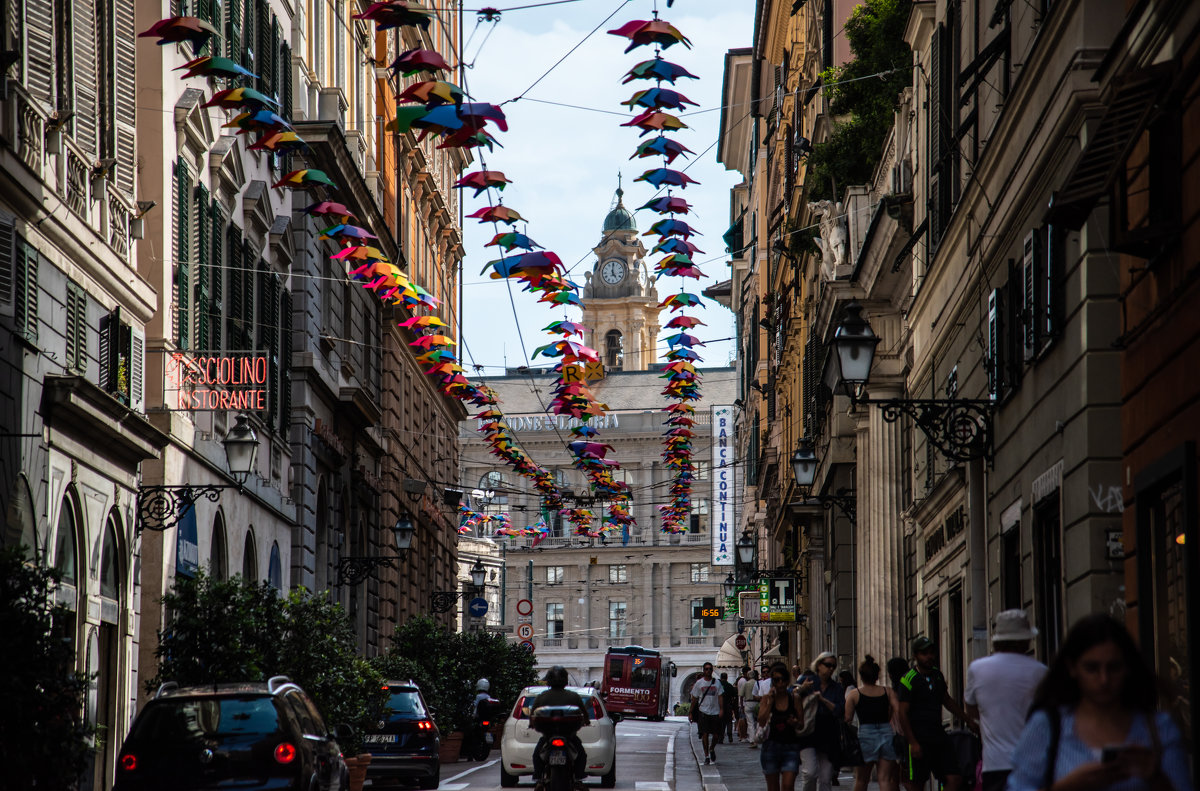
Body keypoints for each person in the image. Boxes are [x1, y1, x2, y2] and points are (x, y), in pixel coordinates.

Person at [1005, 613, 1194, 791]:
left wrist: (1155, 777)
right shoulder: (1047, 726)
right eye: (1092, 668)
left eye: (1113, 667)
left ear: (1127, 667)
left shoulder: (1159, 729)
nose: (1104, 679)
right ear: (1072, 668)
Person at [964, 610, 1047, 791]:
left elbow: (970, 711)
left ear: (997, 641)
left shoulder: (977, 669)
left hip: (995, 765)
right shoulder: (1040, 672)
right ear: (1026, 640)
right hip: (1033, 763)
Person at [896, 637, 975, 791]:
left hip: (938, 735)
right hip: (918, 737)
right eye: (924, 653)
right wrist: (913, 742)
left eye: (931, 653)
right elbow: (902, 713)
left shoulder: (937, 675)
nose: (929, 657)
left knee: (954, 777)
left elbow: (946, 700)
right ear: (915, 655)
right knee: (917, 783)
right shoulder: (908, 680)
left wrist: (968, 720)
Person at [845, 655, 900, 791]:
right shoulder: (888, 691)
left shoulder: (854, 694)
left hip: (865, 735)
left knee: (862, 780)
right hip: (886, 732)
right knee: (885, 779)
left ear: (861, 676)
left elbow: (847, 719)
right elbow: (898, 710)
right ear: (877, 675)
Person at [530, 666, 589, 791]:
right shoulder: (573, 696)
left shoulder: (542, 696)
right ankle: (578, 778)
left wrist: (531, 723)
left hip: (548, 735)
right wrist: (587, 721)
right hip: (569, 736)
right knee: (581, 754)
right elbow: (584, 713)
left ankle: (539, 779)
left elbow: (532, 714)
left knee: (537, 754)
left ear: (549, 680)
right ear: (565, 680)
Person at [797, 651, 846, 791]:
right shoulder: (807, 681)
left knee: (825, 778)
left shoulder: (836, 688)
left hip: (828, 732)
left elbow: (840, 710)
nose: (831, 668)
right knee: (810, 773)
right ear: (819, 665)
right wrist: (802, 689)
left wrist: (823, 700)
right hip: (808, 731)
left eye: (833, 666)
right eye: (828, 665)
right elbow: (790, 695)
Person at [757, 661, 807, 791]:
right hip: (770, 747)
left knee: (788, 785)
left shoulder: (794, 698)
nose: (780, 684)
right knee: (773, 788)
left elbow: (802, 724)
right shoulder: (766, 699)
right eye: (776, 680)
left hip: (791, 747)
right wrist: (770, 703)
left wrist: (795, 723)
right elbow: (761, 721)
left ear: (787, 681)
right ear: (772, 682)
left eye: (783, 680)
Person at [691, 662, 724, 764]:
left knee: (716, 735)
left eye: (710, 669)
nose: (708, 671)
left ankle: (711, 748)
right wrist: (691, 712)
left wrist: (722, 709)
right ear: (703, 670)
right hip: (703, 712)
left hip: (715, 712)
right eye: (706, 669)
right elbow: (694, 699)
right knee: (704, 734)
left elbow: (720, 697)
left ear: (712, 670)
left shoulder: (717, 683)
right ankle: (706, 756)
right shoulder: (699, 683)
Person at [719, 671, 737, 744]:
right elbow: (734, 695)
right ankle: (730, 736)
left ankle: (721, 738)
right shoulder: (729, 686)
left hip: (720, 705)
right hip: (728, 705)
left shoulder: (719, 685)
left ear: (720, 677)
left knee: (721, 722)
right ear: (727, 678)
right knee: (729, 721)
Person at [737, 667, 753, 742]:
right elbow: (741, 694)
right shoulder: (744, 682)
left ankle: (742, 736)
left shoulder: (741, 680)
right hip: (743, 703)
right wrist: (742, 705)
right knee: (743, 720)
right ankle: (743, 736)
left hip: (742, 703)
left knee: (743, 719)